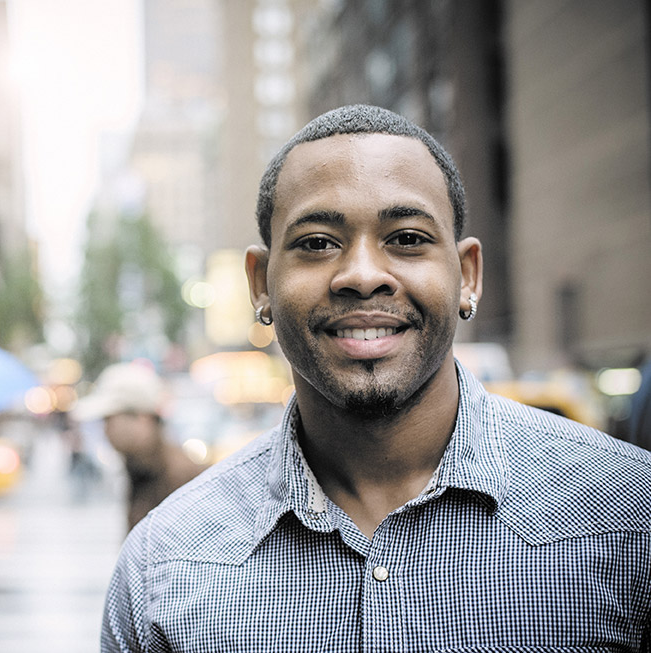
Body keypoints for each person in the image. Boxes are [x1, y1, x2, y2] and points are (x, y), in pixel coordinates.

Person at [101, 105, 651, 651]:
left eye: (407, 238)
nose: (363, 276)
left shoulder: (631, 519)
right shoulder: (163, 563)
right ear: (261, 283)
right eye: (317, 242)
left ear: (468, 276)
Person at [75, 362, 206, 531]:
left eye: (109, 419)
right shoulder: (141, 468)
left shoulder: (180, 477)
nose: (105, 429)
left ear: (142, 418)